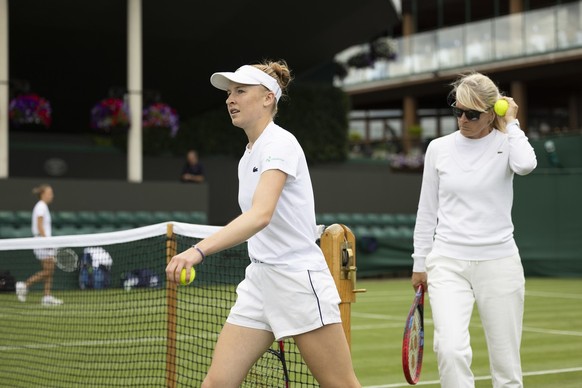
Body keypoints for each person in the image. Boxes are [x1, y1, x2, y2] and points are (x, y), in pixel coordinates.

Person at [166, 60, 361, 388]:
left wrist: (197, 251)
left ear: (268, 97)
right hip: (260, 280)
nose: (230, 99)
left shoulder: (279, 144)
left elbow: (260, 215)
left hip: (297, 279)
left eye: (240, 91)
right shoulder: (248, 155)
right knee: (216, 383)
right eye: (228, 93)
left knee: (341, 385)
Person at [411, 72, 537, 388]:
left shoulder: (507, 142)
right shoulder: (438, 148)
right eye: (458, 110)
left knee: (507, 367)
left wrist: (511, 123)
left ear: (490, 113)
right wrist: (419, 263)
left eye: (472, 114)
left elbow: (526, 165)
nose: (462, 119)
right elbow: (427, 211)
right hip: (447, 263)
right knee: (449, 350)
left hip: (500, 263)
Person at [16, 184, 63, 306]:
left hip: (43, 241)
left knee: (49, 270)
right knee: (48, 270)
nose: (51, 195)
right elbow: (39, 226)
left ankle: (47, 297)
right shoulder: (41, 207)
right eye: (49, 193)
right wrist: (47, 241)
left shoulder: (43, 207)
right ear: (43, 194)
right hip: (41, 242)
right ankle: (24, 285)